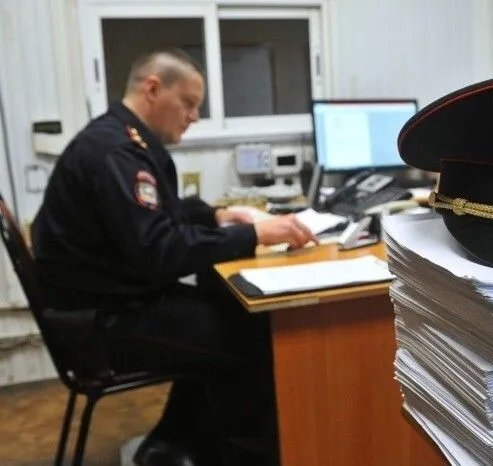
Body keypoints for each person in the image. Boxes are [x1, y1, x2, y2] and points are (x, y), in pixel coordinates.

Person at [31, 48, 318, 466]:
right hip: (102, 324)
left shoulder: (118, 139)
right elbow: (159, 250)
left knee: (235, 316)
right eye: (188, 103)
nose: (194, 116)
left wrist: (215, 216)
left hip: (106, 304)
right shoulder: (116, 153)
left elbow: (153, 217)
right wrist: (252, 234)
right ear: (153, 89)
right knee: (254, 340)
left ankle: (172, 446)